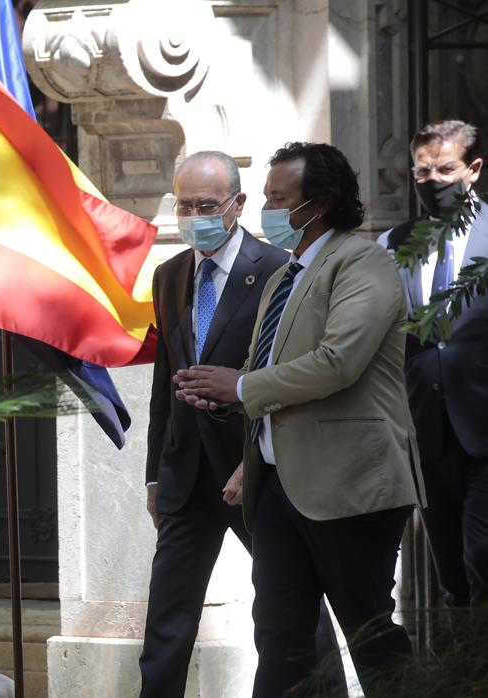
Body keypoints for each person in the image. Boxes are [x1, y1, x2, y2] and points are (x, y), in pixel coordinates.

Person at [174, 142, 425, 696]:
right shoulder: (284, 276)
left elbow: (338, 362)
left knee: (371, 637)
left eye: (278, 199)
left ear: (320, 205)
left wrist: (241, 385)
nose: (266, 211)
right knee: (282, 641)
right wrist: (225, 393)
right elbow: (270, 367)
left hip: (348, 487)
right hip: (279, 487)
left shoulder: (365, 262)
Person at [140, 151, 342, 697]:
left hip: (255, 475)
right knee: (166, 621)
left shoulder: (280, 270)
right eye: (184, 205)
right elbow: (167, 383)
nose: (194, 215)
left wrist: (250, 461)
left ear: (237, 204)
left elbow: (288, 379)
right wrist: (155, 475)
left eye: (207, 205)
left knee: (293, 611)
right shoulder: (169, 275)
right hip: (185, 476)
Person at [378, 120, 488, 610]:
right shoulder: (391, 246)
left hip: (484, 432)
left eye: (446, 169)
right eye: (422, 172)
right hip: (425, 435)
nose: (433, 181)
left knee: (481, 553)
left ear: (474, 170)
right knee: (451, 574)